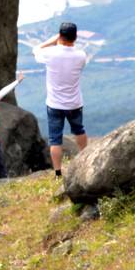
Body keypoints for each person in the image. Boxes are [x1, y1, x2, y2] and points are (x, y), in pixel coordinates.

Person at [34, 21, 89, 177]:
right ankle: (85, 158)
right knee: (79, 130)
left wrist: (53, 40)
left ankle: (58, 173)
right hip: (75, 103)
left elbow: (36, 49)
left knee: (55, 140)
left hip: (54, 104)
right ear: (75, 37)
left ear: (60, 36)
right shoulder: (81, 55)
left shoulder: (50, 54)